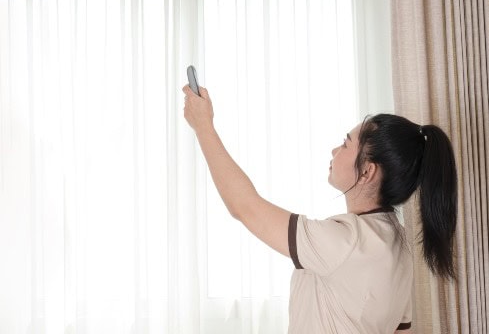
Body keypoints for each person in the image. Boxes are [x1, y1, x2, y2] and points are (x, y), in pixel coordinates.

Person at [182, 84, 458, 334]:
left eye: (346, 144)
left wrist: (204, 126)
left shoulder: (346, 241)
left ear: (367, 171)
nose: (334, 150)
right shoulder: (398, 244)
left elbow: (244, 207)